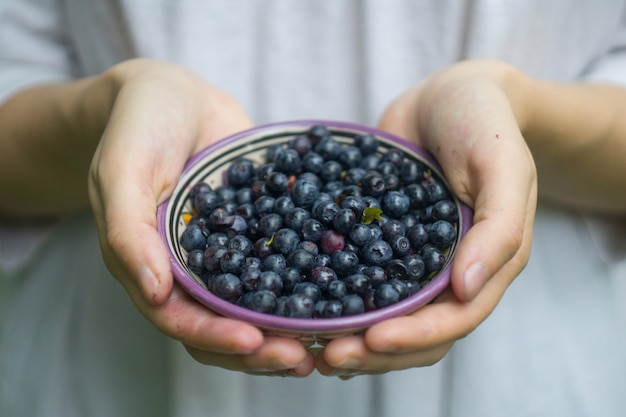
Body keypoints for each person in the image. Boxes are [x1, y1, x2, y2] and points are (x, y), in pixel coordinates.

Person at [1, 1, 625, 416]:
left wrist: (514, 110)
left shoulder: (371, 225)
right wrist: (113, 105)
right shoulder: (286, 226)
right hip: (109, 378)